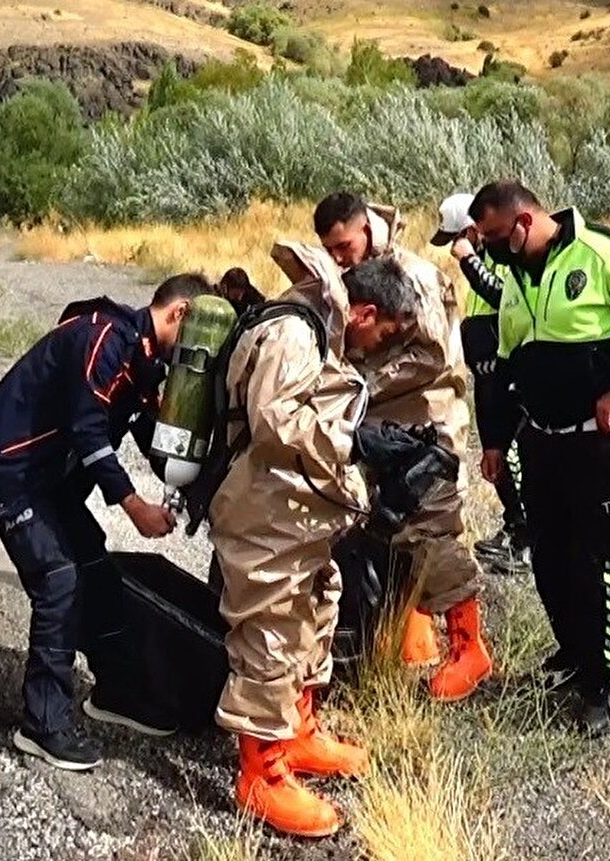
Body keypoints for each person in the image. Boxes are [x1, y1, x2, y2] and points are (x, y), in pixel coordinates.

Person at [209, 244, 437, 837]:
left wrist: (373, 442)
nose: (380, 346)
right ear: (362, 313)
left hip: (295, 515)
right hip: (262, 511)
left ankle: (300, 733)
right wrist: (357, 444)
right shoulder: (291, 332)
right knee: (271, 627)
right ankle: (260, 773)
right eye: (382, 333)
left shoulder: (321, 330)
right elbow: (273, 422)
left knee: (315, 608)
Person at [0, 274, 212, 770]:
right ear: (180, 313)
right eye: (199, 334)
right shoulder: (104, 338)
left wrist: (194, 490)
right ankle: (42, 724)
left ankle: (118, 692)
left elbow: (146, 429)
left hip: (47, 476)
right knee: (58, 579)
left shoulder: (145, 361)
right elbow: (89, 432)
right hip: (10, 465)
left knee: (95, 568)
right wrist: (134, 506)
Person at [469, 180, 610, 736]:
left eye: (494, 237)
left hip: (598, 443)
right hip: (541, 440)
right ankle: (570, 655)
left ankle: (599, 682)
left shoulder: (602, 252)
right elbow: (505, 363)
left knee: (597, 561)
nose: (485, 248)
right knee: (548, 557)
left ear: (523, 223)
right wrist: (494, 440)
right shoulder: (514, 278)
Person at [312, 191, 492, 702]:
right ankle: (409, 639)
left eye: (343, 245)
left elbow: (432, 357)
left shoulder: (412, 276)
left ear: (365, 227)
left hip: (427, 423)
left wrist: (358, 384)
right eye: (331, 250)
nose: (340, 257)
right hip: (383, 430)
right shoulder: (358, 280)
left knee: (430, 528)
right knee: (384, 529)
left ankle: (469, 647)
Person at [430, 192, 532, 576]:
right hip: (487, 369)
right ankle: (514, 527)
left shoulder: (501, 258)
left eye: (459, 238)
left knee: (509, 452)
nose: (455, 248)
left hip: (504, 371)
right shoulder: (487, 257)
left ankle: (526, 540)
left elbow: (501, 295)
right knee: (495, 453)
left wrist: (470, 260)